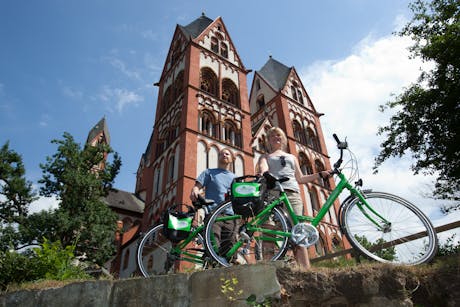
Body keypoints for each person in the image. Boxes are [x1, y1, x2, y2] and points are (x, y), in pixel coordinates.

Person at [256, 127, 331, 268]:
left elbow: (301, 178)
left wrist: (320, 174)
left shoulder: (292, 157)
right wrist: (266, 174)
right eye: (272, 136)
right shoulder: (265, 156)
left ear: (283, 139)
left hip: (292, 194)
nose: (276, 137)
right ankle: (268, 269)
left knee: (298, 232)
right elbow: (263, 168)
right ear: (268, 140)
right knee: (268, 231)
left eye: (279, 135)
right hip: (271, 194)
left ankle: (305, 270)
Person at [190, 147, 238, 259]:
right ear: (218, 157)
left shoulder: (235, 178)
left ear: (231, 159)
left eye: (227, 154)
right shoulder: (209, 172)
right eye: (221, 154)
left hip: (231, 216)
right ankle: (211, 266)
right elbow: (197, 186)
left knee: (230, 247)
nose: (224, 155)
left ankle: (228, 271)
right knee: (213, 245)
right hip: (214, 214)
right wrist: (195, 190)